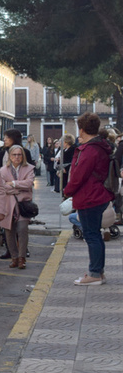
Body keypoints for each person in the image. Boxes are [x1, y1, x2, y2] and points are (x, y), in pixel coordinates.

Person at [63, 112, 115, 286]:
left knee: (91, 235)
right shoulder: (101, 146)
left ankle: (94, 273)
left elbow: (78, 175)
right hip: (99, 195)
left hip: (89, 197)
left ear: (82, 129)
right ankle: (98, 272)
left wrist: (67, 191)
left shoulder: (89, 149)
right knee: (95, 236)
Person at [0, 145, 34, 270]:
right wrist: (18, 189)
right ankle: (14, 257)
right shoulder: (3, 170)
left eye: (19, 154)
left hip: (23, 205)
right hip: (8, 205)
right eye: (14, 155)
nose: (17, 157)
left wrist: (12, 184)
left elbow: (29, 183)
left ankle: (22, 258)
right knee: (9, 232)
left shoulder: (29, 168)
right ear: (10, 156)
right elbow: (1, 187)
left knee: (23, 230)